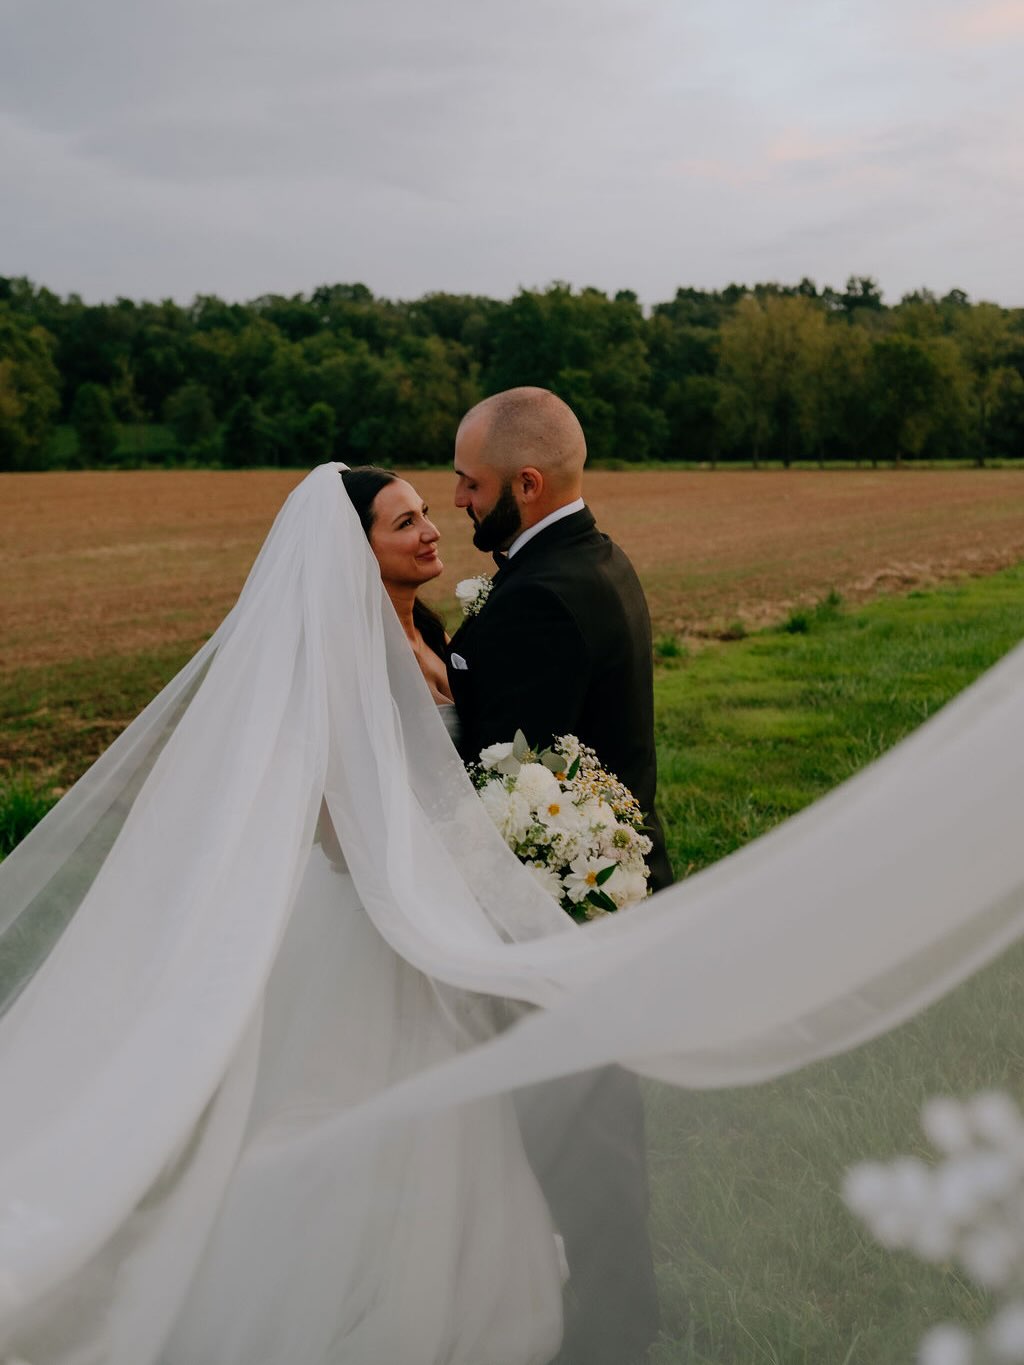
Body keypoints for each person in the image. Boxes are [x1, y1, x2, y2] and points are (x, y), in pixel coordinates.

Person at [2, 461, 1024, 1365]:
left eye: (432, 504)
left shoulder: (435, 637)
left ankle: (471, 1293)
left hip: (437, 918)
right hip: (369, 926)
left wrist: (506, 850)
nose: (431, 525)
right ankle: (308, 1298)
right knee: (350, 1114)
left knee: (458, 1118)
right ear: (355, 554)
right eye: (403, 520)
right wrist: (441, 871)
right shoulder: (340, 662)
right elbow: (321, 821)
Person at [446, 387, 670, 1363]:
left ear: (524, 485)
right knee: (591, 1140)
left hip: (564, 918)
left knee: (581, 1152)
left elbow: (494, 781)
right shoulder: (594, 557)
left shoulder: (536, 603)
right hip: (606, 906)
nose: (455, 498)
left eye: (469, 481)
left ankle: (612, 1337)